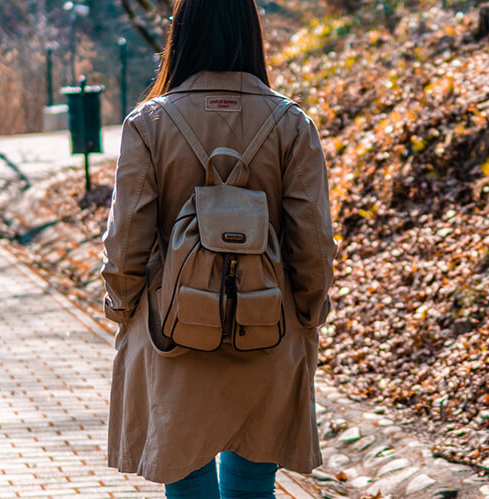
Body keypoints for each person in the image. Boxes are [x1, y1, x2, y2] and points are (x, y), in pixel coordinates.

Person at [99, 0, 335, 497]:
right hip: (267, 326)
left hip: (174, 330)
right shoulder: (291, 123)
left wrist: (122, 307)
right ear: (251, 33)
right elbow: (313, 243)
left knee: (185, 476)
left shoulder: (149, 123)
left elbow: (126, 242)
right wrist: (308, 313)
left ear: (180, 35)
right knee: (253, 486)